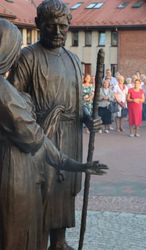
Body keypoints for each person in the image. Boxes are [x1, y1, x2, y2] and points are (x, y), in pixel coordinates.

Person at [0, 18, 107, 250]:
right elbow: (14, 101)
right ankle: (37, 239)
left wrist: (89, 117)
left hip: (69, 133)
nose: (58, 31)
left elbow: (78, 100)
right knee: (41, 191)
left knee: (64, 190)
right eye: (51, 25)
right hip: (39, 133)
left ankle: (59, 242)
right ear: (39, 25)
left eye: (63, 26)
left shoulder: (74, 60)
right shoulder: (28, 57)